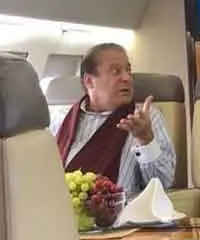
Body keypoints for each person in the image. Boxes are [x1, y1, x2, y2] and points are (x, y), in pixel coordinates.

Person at [50, 43, 176, 197]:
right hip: (60, 207)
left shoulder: (145, 118)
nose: (127, 78)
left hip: (121, 210)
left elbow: (163, 184)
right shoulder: (61, 119)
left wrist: (146, 141)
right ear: (89, 81)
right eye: (116, 71)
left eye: (128, 70)